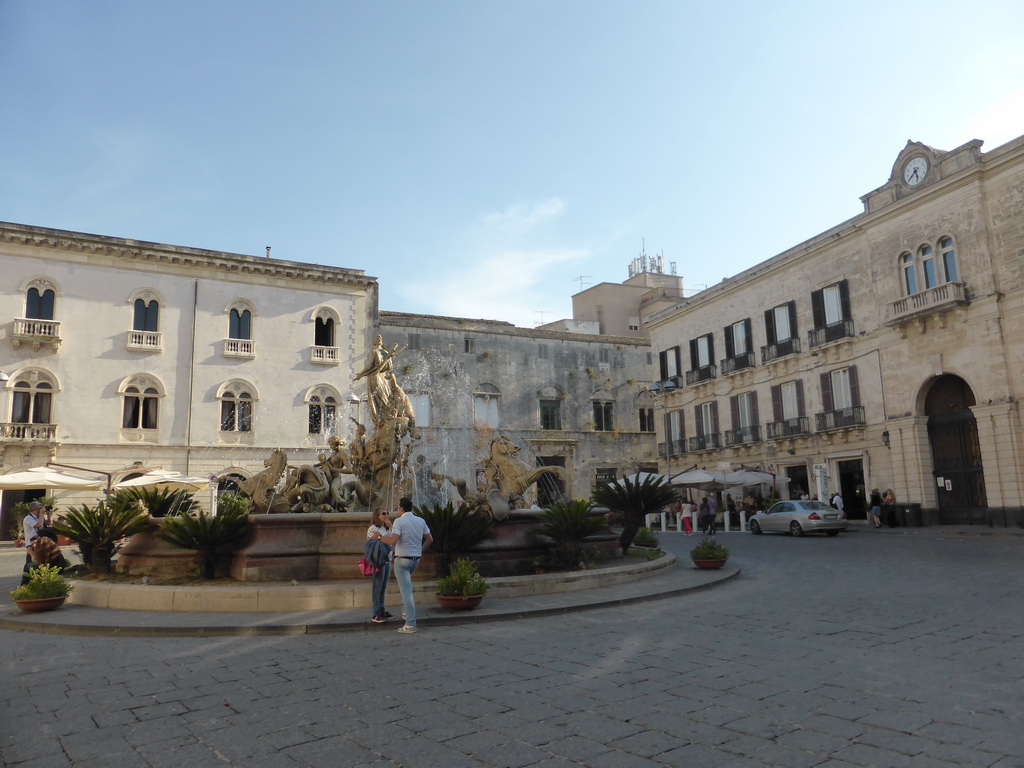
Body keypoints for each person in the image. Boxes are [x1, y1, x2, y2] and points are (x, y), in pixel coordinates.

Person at [379, 496, 432, 634]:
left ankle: (410, 624)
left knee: (406, 591)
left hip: (402, 560)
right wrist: (420, 550)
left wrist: (378, 537)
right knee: (406, 587)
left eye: (397, 507)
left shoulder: (399, 521)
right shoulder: (420, 520)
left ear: (402, 508)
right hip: (415, 559)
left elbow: (392, 540)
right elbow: (430, 539)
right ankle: (405, 612)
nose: (396, 509)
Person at [365, 507, 395, 623]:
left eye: (387, 513)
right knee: (377, 587)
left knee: (383, 587)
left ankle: (382, 610)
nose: (386, 515)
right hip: (378, 561)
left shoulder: (386, 528)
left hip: (387, 560)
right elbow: (370, 543)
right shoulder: (373, 528)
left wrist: (390, 525)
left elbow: (392, 539)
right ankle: (375, 612)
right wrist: (382, 539)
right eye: (384, 513)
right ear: (377, 516)